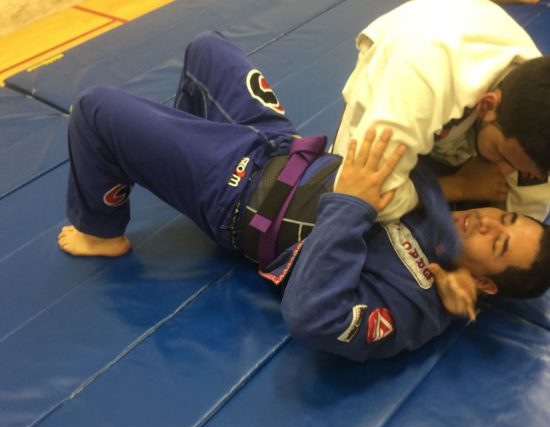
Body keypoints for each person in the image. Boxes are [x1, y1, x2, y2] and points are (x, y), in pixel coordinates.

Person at [58, 31, 550, 361]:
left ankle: (99, 231)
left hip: (240, 194)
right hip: (281, 143)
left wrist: (352, 207)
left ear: (486, 287)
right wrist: (460, 190)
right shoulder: (458, 226)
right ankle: (179, 147)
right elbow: (414, 170)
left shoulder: (413, 309)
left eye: (498, 243)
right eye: (502, 220)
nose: (486, 223)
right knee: (207, 46)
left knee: (95, 110)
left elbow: (312, 317)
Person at [332, 0, 550, 223]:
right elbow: (360, 197)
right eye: (503, 156)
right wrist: (460, 187)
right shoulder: (420, 81)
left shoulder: (536, 107)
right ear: (487, 105)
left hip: (467, 106)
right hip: (408, 58)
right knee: (345, 210)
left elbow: (528, 220)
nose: (504, 171)